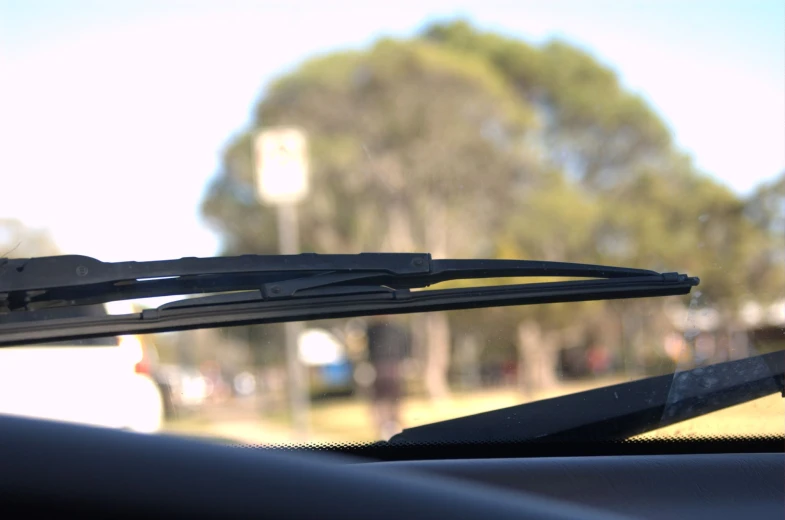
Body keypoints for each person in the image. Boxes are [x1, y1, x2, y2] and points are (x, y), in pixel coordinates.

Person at [365, 315, 410, 440]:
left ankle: (391, 427)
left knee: (391, 400)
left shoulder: (377, 329)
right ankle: (386, 428)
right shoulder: (377, 329)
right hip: (386, 368)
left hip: (387, 367)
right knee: (386, 400)